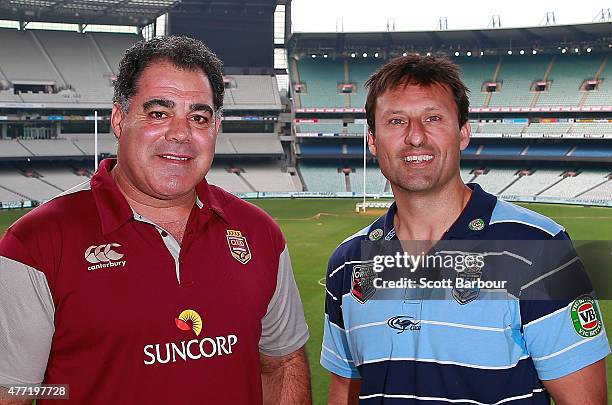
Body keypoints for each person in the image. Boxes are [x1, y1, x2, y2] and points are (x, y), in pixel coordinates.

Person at [0, 36, 311, 405]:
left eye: (198, 117)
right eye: (159, 113)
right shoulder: (37, 242)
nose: (180, 133)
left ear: (216, 128)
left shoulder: (260, 234)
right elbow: (13, 392)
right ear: (119, 119)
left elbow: (283, 363)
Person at [321, 54, 610, 404]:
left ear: (463, 133)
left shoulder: (542, 247)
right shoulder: (347, 263)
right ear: (372, 140)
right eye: (396, 121)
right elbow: (345, 391)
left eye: (434, 118)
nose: (415, 137)